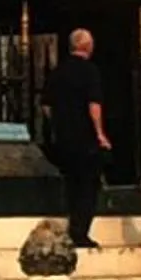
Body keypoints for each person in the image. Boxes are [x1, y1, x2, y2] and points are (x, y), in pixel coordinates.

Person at [46, 29, 112, 250]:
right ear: (87, 46)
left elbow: (46, 106)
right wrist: (100, 133)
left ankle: (71, 226)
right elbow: (94, 104)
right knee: (88, 186)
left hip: (63, 137)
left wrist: (59, 123)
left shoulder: (58, 71)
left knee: (71, 183)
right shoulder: (90, 71)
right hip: (85, 137)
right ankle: (80, 232)